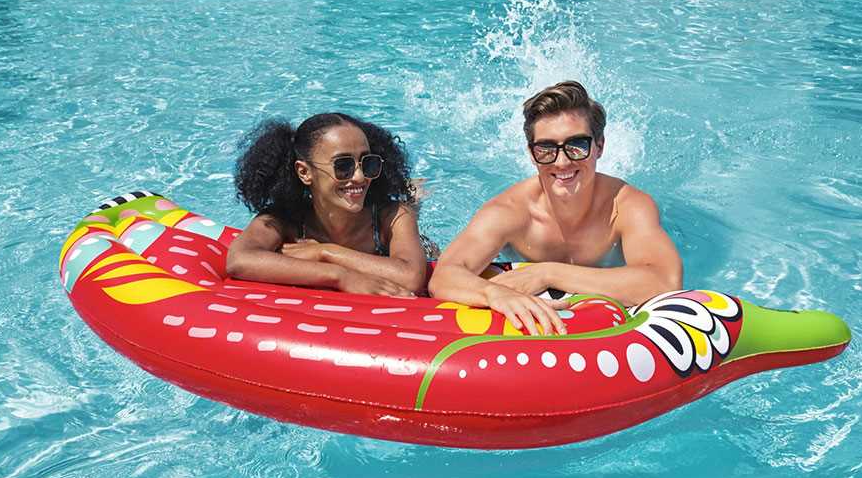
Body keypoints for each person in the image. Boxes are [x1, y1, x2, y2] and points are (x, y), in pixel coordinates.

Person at [429, 81, 683, 335]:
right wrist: (493, 293)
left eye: (577, 146)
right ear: (532, 154)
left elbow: (664, 281)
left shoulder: (627, 206)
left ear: (600, 146)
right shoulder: (508, 211)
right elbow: (444, 276)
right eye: (546, 149)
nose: (562, 162)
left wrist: (547, 273)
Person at [226, 113, 427, 297]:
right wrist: (340, 275)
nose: (359, 177)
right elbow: (239, 260)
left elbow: (411, 278)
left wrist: (324, 251)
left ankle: (413, 192)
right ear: (305, 172)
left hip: (419, 242)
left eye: (368, 163)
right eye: (343, 166)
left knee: (412, 208)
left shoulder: (393, 216)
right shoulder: (285, 218)